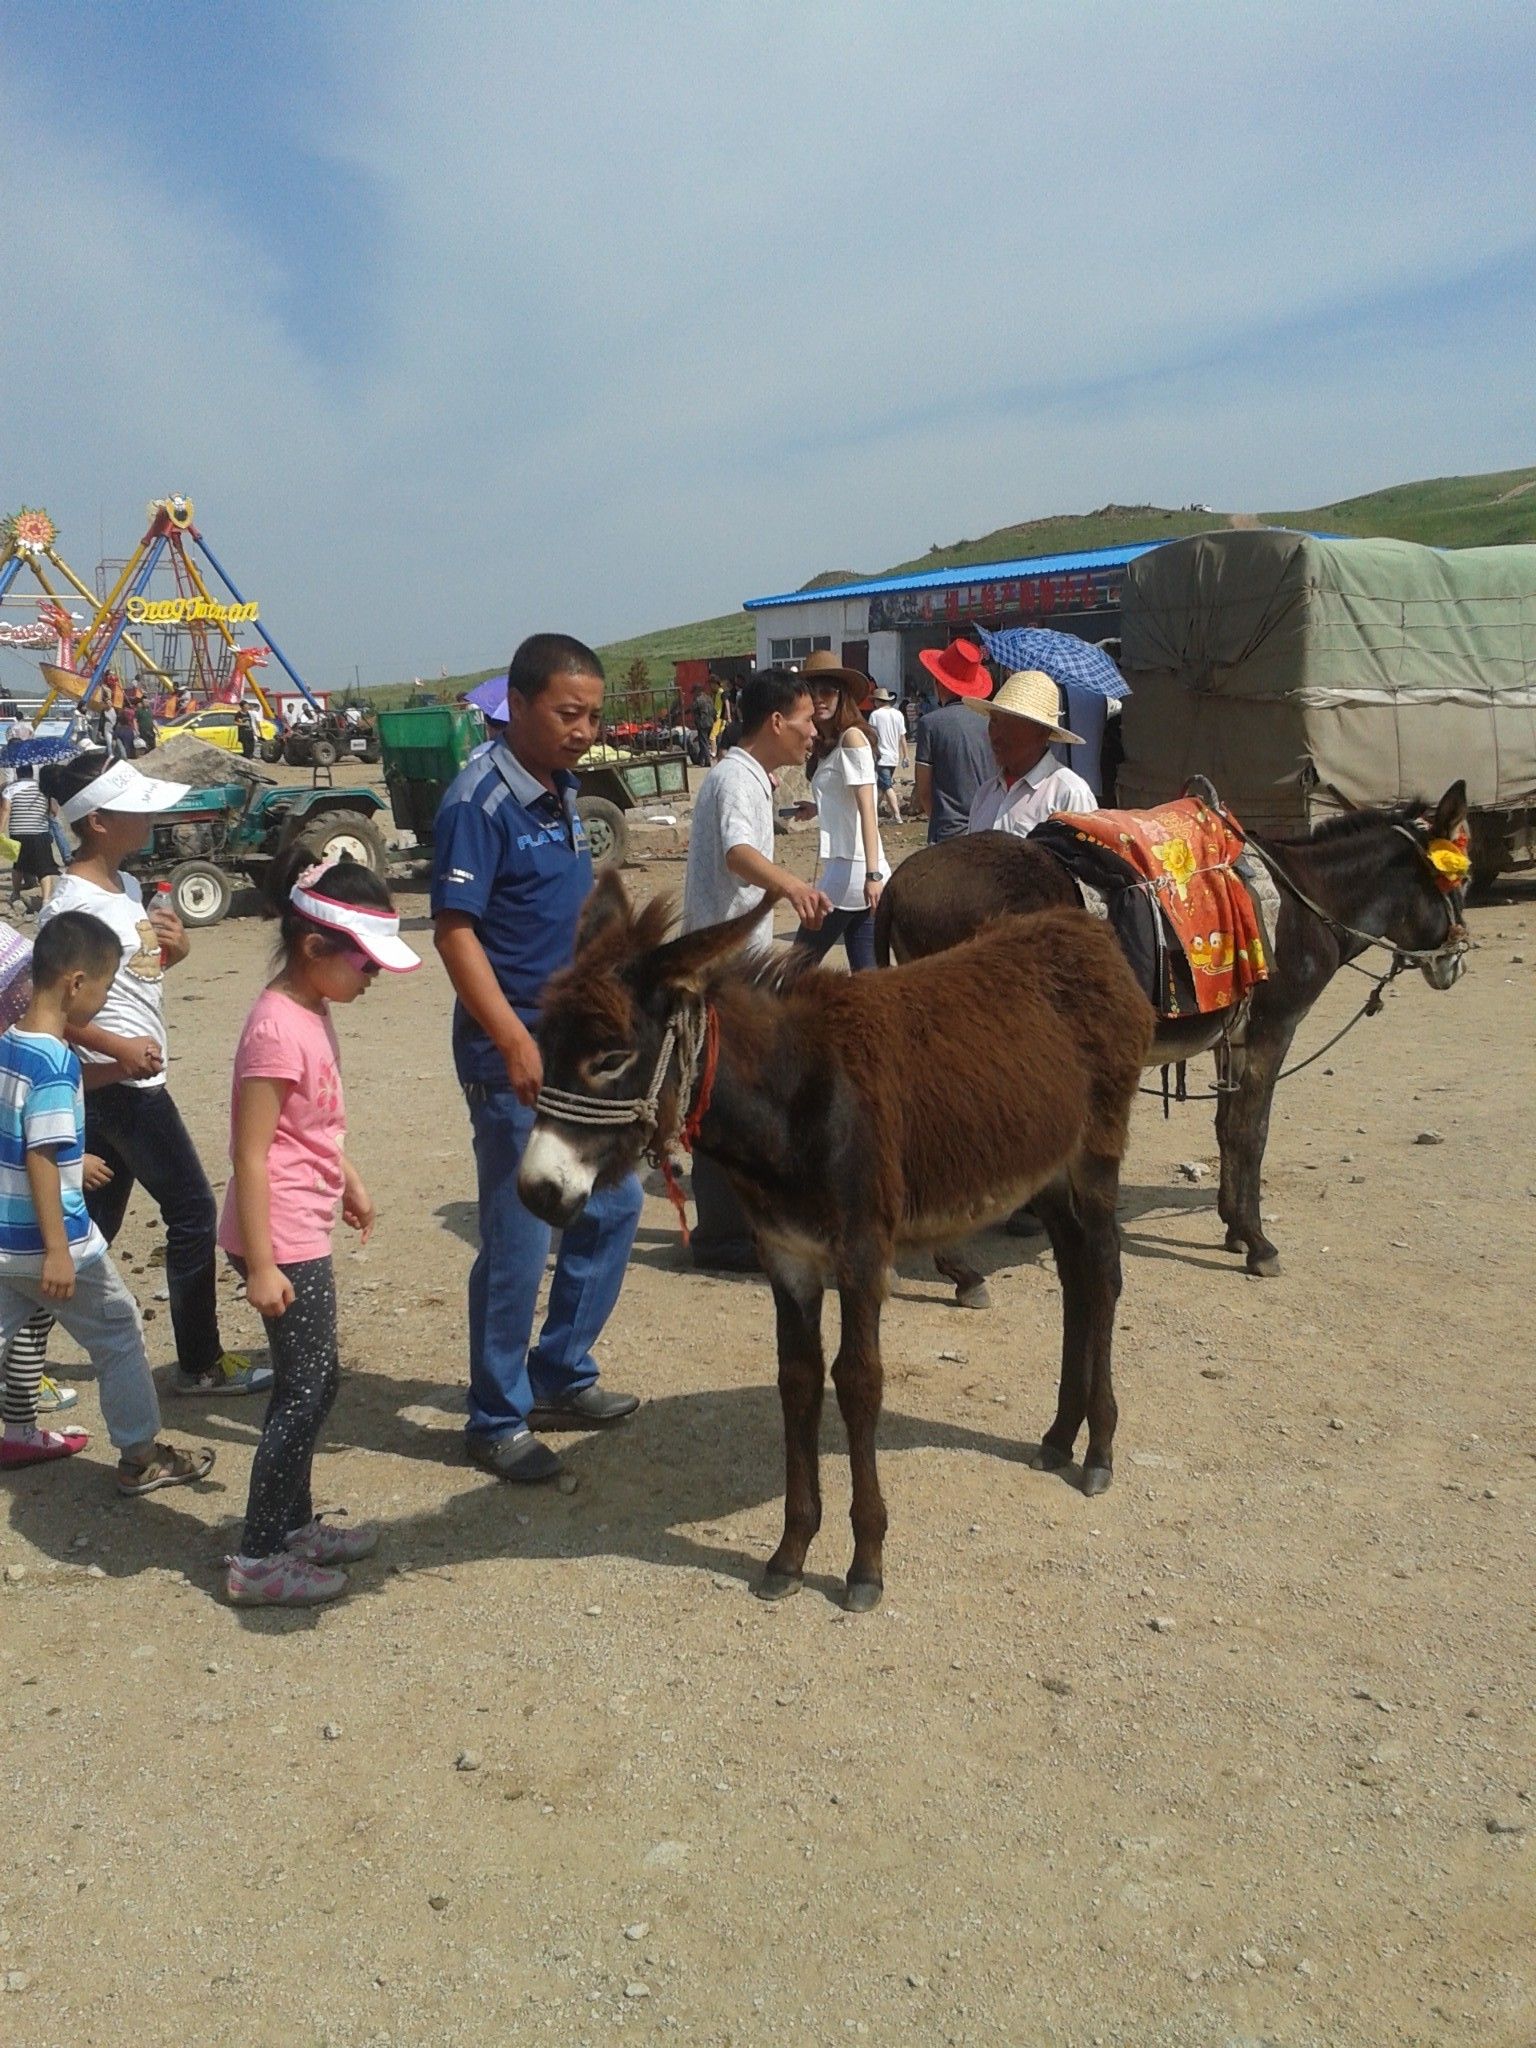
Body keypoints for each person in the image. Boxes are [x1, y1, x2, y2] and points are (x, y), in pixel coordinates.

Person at [432, 634, 641, 1485]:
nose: (584, 729)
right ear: (516, 705)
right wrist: (514, 1039)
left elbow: (573, 893)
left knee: (614, 1205)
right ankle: (494, 1416)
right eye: (568, 713)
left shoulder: (560, 790)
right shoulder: (477, 803)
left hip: (571, 1050)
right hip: (510, 1054)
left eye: (592, 714)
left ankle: (559, 1373)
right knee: (520, 1239)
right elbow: (455, 931)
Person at [220, 852, 420, 1606]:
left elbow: (315, 1130)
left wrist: (352, 1183)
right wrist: (264, 1265)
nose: (370, 979)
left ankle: (293, 1524)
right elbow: (250, 1149)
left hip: (302, 1222)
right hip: (281, 1239)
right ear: (313, 950)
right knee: (303, 1393)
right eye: (364, 964)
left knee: (317, 1382)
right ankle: (259, 1558)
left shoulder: (311, 1010)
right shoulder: (276, 1030)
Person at [36, 753, 268, 1396]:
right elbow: (50, 1006)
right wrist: (116, 1052)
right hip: (119, 1086)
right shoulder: (72, 905)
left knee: (90, 1228)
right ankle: (199, 1362)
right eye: (136, 807)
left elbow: (132, 981)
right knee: (193, 1210)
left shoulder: (128, 888)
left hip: (124, 1080)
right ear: (101, 822)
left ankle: (17, 1362)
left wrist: (175, 951)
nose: (149, 816)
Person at [0, 909, 214, 1493]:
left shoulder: (13, 1047)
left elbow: (29, 1131)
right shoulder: (51, 1061)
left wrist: (77, 1155)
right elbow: (42, 1154)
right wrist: (57, 1251)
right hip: (55, 1243)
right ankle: (140, 1454)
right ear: (75, 984)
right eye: (104, 987)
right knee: (118, 1331)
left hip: (3, 1238)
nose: (103, 1001)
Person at [681, 668, 832, 1271]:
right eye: (806, 721)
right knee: (721, 1094)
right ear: (776, 722)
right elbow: (738, 854)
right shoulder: (736, 777)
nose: (813, 732)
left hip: (729, 961)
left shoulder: (748, 777)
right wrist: (792, 886)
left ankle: (734, 1226)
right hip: (724, 967)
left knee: (730, 1091)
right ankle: (722, 1236)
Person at [790, 649, 886, 973]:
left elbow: (868, 809)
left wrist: (874, 875)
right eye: (812, 692)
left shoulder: (853, 738)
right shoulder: (834, 744)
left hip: (852, 872)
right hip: (850, 869)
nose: (820, 699)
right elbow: (847, 800)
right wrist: (817, 808)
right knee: (868, 976)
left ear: (842, 695)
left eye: (828, 691)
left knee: (796, 967)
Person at [965, 670, 1098, 837]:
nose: (997, 735)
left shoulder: (1069, 794)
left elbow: (1084, 861)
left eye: (1011, 726)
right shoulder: (985, 794)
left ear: (1042, 732)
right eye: (994, 721)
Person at [914, 639, 995, 842]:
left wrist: (938, 819)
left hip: (947, 833)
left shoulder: (930, 723)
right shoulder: (992, 721)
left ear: (939, 683)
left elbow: (923, 790)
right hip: (989, 828)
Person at [3, 764, 60, 912]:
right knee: (44, 868)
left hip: (17, 832)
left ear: (17, 773)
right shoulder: (42, 788)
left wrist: (0, 831)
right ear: (31, 772)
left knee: (18, 865)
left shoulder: (10, 789)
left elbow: (5, 810)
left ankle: (15, 894)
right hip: (40, 833)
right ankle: (46, 900)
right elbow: (54, 811)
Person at [868, 687, 908, 823]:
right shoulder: (898, 715)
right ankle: (873, 812)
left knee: (887, 786)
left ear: (878, 701)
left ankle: (897, 816)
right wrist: (906, 755)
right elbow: (903, 737)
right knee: (882, 785)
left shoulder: (875, 715)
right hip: (893, 756)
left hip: (881, 756)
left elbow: (871, 736)